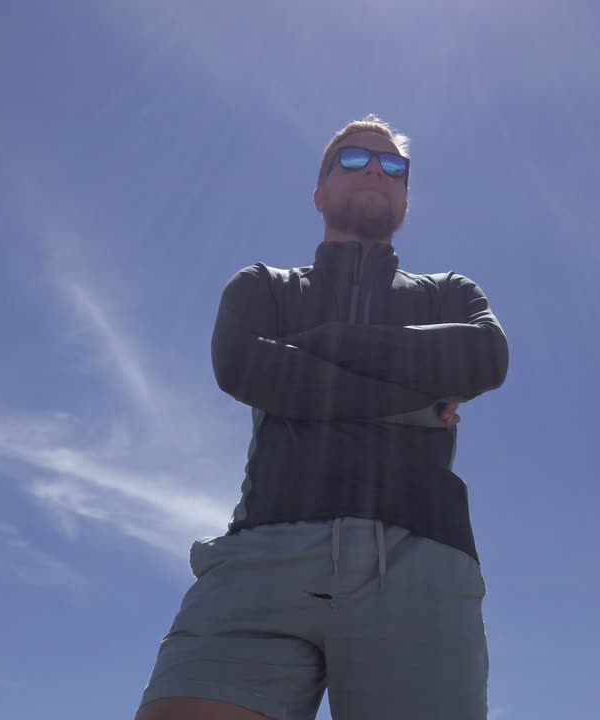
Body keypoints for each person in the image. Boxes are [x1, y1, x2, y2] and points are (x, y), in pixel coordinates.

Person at [135, 115, 510, 720]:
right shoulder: (265, 287)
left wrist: (323, 344)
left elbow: (488, 358)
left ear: (407, 198)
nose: (375, 171)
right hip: (264, 554)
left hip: (419, 559)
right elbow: (241, 367)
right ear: (319, 192)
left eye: (393, 166)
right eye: (354, 159)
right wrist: (420, 395)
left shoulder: (450, 293)